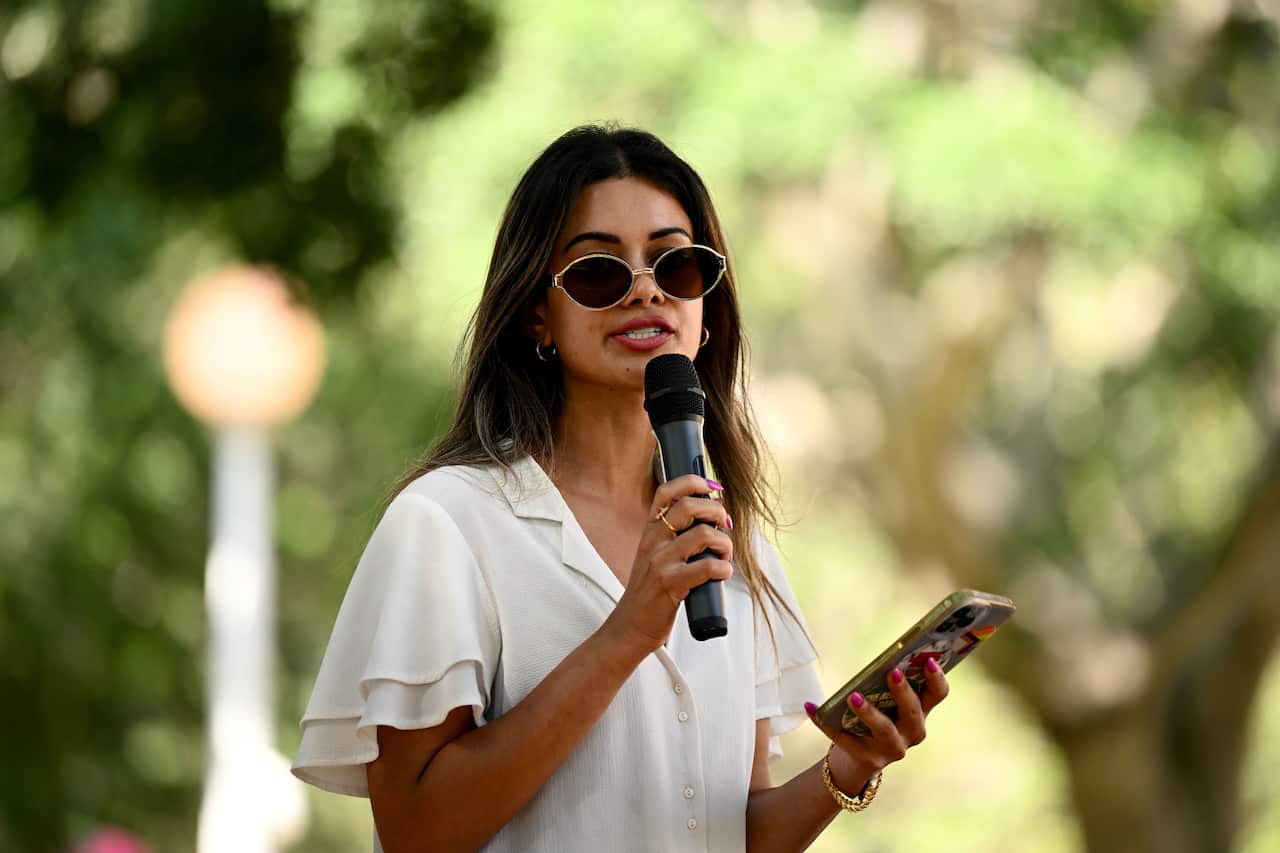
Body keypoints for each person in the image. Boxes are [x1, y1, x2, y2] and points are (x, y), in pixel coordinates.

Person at [291, 125, 950, 852]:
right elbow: (416, 830)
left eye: (677, 264)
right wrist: (626, 633)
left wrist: (850, 761)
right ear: (536, 312)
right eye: (600, 272)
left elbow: (733, 831)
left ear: (706, 310)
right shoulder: (447, 523)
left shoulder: (727, 532)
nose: (646, 289)